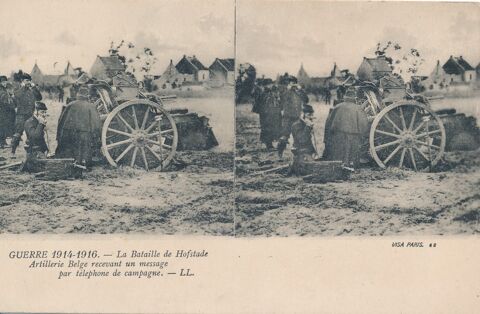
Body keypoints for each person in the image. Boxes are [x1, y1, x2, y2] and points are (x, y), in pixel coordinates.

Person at [55, 85, 102, 168]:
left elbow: (61, 121)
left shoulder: (70, 105)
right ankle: (85, 165)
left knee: (72, 150)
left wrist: (59, 135)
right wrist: (97, 136)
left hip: (70, 132)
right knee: (85, 150)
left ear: (78, 95)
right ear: (87, 95)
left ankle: (71, 164)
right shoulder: (91, 106)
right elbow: (96, 123)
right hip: (85, 133)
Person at [322, 101, 369, 168]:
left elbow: (329, 122)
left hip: (339, 133)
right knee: (353, 151)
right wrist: (363, 134)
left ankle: (341, 165)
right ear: (353, 98)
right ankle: (353, 166)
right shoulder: (358, 108)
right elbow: (364, 123)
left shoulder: (337, 107)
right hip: (354, 134)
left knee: (342, 151)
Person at [10, 74, 42, 157]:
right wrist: (23, 87)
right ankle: (12, 152)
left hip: (30, 115)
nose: (29, 82)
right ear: (22, 81)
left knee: (31, 134)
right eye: (27, 80)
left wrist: (34, 87)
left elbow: (39, 97)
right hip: (20, 115)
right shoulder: (18, 89)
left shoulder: (31, 90)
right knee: (17, 134)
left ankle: (30, 152)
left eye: (29, 80)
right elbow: (17, 95)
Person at [277, 80, 309, 157]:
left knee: (298, 136)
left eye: (294, 83)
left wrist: (301, 90)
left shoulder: (299, 92)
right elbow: (281, 99)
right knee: (284, 137)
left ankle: (297, 154)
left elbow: (306, 100)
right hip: (287, 118)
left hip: (297, 118)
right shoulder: (285, 92)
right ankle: (280, 153)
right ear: (289, 84)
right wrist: (288, 89)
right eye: (291, 83)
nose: (293, 85)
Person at [252, 81, 282, 150]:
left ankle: (269, 144)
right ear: (266, 85)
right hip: (266, 115)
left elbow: (278, 103)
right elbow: (258, 105)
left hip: (272, 114)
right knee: (267, 129)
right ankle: (268, 145)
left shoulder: (272, 93)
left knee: (272, 128)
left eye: (271, 84)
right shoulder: (263, 94)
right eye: (269, 85)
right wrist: (264, 112)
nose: (270, 86)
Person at [22, 101, 49, 172]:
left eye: (45, 112)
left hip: (40, 152)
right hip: (33, 153)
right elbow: (35, 137)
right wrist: (41, 124)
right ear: (35, 111)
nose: (44, 114)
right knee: (48, 168)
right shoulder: (29, 122)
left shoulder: (37, 121)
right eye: (42, 112)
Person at [0, 76, 16, 148]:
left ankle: (3, 142)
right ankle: (2, 143)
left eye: (5, 82)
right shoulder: (1, 90)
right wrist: (13, 107)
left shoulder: (4, 90)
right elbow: (5, 102)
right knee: (2, 127)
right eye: (3, 82)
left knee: (4, 126)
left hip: (5, 111)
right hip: (3, 111)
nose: (4, 83)